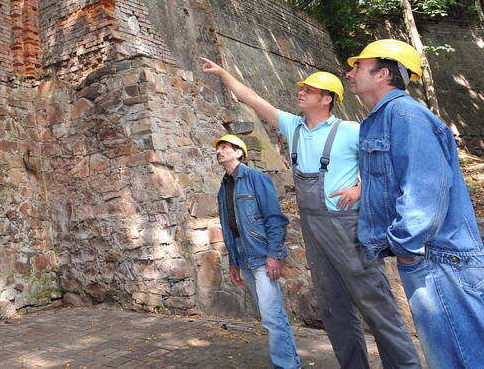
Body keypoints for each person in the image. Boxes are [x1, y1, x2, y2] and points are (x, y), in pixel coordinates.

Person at [201, 57, 419, 368]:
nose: (301, 92)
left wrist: (360, 189)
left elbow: (388, 168)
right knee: (333, 309)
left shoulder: (350, 130)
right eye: (302, 88)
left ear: (327, 98)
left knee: (376, 305)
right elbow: (252, 97)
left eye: (309, 89)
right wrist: (223, 72)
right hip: (313, 229)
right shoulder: (293, 127)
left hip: (347, 226)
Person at [346, 38, 484, 368]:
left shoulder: (406, 115)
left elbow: (425, 188)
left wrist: (405, 249)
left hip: (439, 261)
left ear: (382, 74)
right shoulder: (385, 117)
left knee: (460, 359)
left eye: (358, 66)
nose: (349, 73)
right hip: (430, 258)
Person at [214, 134, 301, 369]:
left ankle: (287, 366)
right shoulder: (223, 188)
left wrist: (274, 255)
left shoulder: (256, 179)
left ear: (239, 153)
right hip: (242, 255)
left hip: (261, 254)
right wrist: (233, 262)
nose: (219, 151)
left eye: (225, 147)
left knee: (272, 315)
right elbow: (229, 227)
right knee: (268, 315)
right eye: (218, 148)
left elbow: (275, 218)